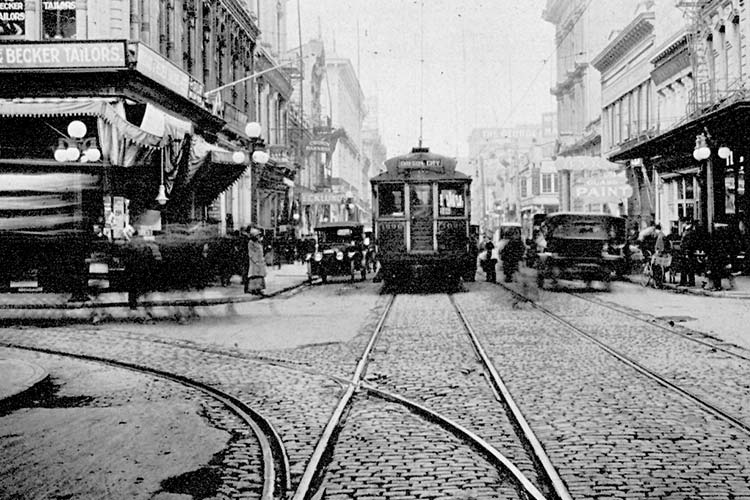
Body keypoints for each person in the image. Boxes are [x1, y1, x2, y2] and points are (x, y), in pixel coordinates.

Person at [246, 227, 267, 295]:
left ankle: (259, 289)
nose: (258, 236)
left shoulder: (258, 243)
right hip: (254, 262)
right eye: (257, 235)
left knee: (260, 275)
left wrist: (262, 259)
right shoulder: (251, 243)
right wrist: (255, 260)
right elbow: (251, 253)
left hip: (260, 261)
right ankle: (254, 289)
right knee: (254, 275)